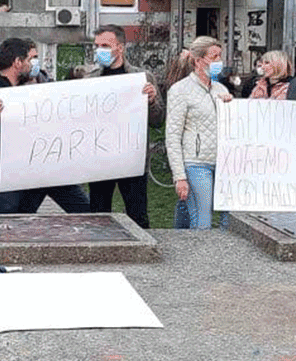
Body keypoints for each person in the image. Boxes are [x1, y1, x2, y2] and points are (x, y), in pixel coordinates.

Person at [0, 37, 89, 214]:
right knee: (10, 229)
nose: (34, 65)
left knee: (86, 209)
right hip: (5, 183)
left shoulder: (29, 87)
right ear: (17, 62)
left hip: (40, 172)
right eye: (31, 60)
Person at [83, 25, 165, 228]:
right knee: (98, 216)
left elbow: (158, 121)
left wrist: (152, 101)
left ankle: (142, 254)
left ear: (120, 47)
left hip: (132, 157)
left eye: (105, 45)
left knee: (137, 215)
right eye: (97, 46)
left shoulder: (143, 78)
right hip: (100, 157)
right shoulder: (90, 80)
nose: (99, 50)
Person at [165, 36, 233, 230]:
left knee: (229, 220)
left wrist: (230, 106)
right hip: (196, 163)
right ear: (198, 61)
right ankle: (200, 258)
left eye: (220, 56)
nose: (219, 62)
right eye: (214, 57)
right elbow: (172, 135)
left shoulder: (221, 88)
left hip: (222, 163)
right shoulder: (180, 90)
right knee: (202, 220)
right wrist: (179, 176)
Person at [163, 50, 195, 229]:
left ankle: (182, 231)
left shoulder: (175, 87)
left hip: (187, 151)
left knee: (185, 196)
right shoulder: (181, 91)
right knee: (187, 197)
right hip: (190, 151)